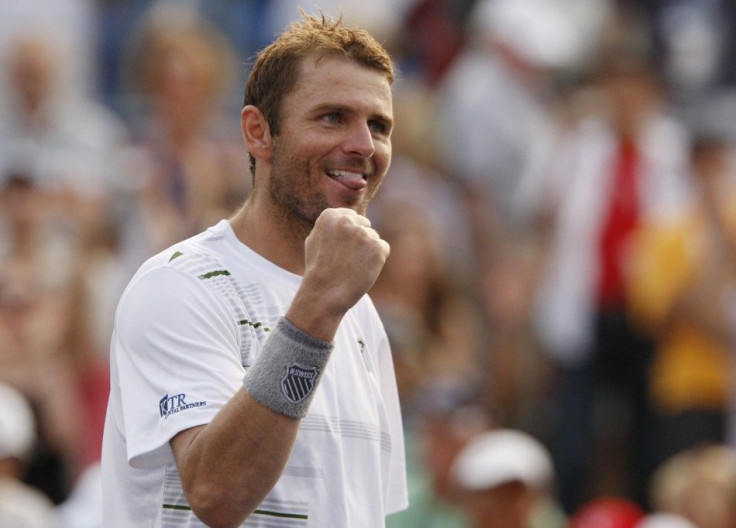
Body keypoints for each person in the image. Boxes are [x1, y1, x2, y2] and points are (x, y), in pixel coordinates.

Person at [101, 11, 407, 528]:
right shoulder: (179, 286)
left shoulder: (359, 314)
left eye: (378, 125)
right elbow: (217, 493)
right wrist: (317, 310)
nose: (362, 145)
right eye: (332, 117)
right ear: (258, 133)